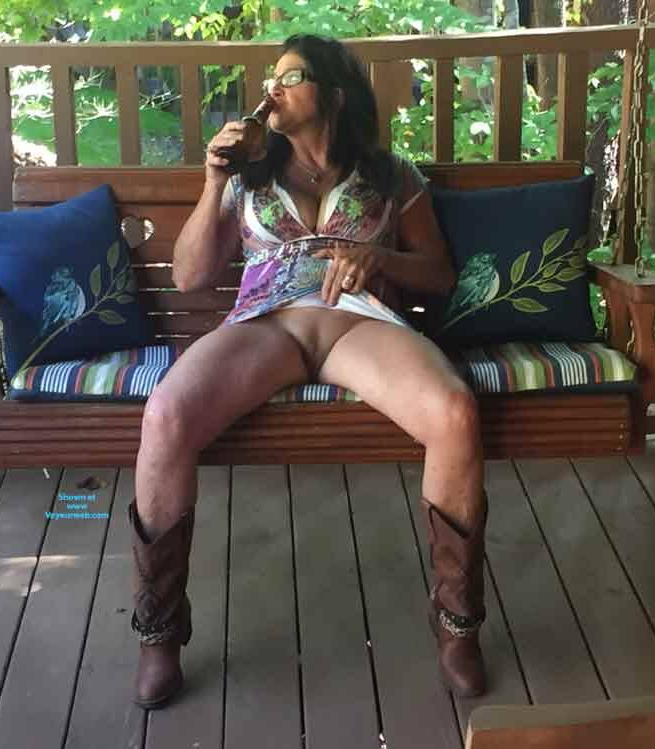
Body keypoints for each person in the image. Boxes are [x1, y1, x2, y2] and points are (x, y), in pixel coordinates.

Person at [127, 33, 490, 709]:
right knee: (166, 413)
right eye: (271, 78)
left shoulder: (390, 175)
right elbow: (189, 277)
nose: (274, 89)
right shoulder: (247, 176)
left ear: (335, 94)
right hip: (268, 323)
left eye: (291, 77)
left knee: (454, 412)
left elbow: (439, 274)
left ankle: (457, 627)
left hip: (361, 324)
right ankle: (158, 635)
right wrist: (213, 181)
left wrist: (380, 258)